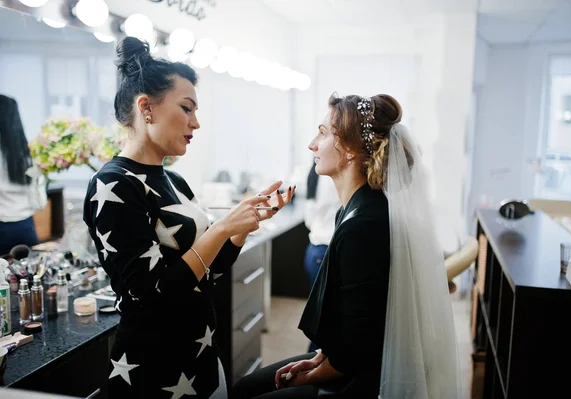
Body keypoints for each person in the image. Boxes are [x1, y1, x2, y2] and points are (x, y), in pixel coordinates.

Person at [83, 37, 295, 398]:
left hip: (199, 353)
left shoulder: (174, 179)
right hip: (151, 367)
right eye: (187, 108)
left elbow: (208, 270)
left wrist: (241, 229)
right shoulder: (113, 184)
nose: (196, 123)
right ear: (146, 107)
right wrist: (224, 226)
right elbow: (150, 294)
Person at [232, 94, 461, 398]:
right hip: (346, 360)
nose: (312, 144)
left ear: (350, 150)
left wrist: (317, 372)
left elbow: (361, 342)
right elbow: (353, 320)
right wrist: (321, 356)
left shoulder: (363, 224)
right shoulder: (353, 208)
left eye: (324, 133)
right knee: (243, 388)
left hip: (360, 381)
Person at [0, 95, 45, 255]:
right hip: (26, 228)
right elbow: (40, 203)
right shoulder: (28, 155)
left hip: (2, 228)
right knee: (32, 276)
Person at [303, 160, 339, 353]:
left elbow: (310, 216)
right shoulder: (330, 174)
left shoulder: (318, 169)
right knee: (324, 321)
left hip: (316, 247)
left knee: (321, 317)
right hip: (324, 248)